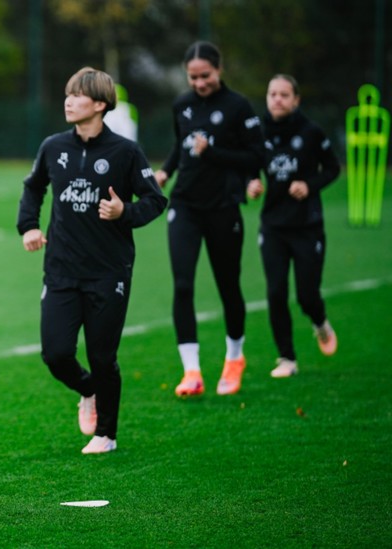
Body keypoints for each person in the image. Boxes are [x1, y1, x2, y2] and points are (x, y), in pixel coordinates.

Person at [17, 67, 167, 454]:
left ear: (99, 104)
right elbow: (34, 188)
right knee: (56, 353)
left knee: (103, 357)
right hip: (62, 268)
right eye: (67, 94)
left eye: (77, 95)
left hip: (108, 272)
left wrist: (124, 213)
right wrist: (28, 227)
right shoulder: (53, 147)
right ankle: (88, 391)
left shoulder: (125, 152)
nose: (68, 101)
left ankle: (107, 434)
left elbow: (155, 200)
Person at [154, 41, 264, 397]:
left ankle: (234, 359)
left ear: (219, 70)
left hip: (223, 206)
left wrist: (212, 152)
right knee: (182, 285)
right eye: (193, 77)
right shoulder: (182, 104)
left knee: (227, 286)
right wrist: (166, 172)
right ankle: (192, 371)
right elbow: (179, 144)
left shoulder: (238, 107)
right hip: (184, 203)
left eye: (206, 76)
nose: (199, 83)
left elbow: (255, 155)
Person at [246, 75, 340, 378]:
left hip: (307, 226)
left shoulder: (311, 132)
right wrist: (252, 184)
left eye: (284, 94)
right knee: (275, 292)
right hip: (273, 226)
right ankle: (286, 358)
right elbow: (250, 169)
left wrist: (309, 185)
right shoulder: (258, 133)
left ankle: (320, 322)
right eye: (272, 94)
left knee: (306, 295)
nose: (277, 99)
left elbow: (333, 168)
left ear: (296, 100)